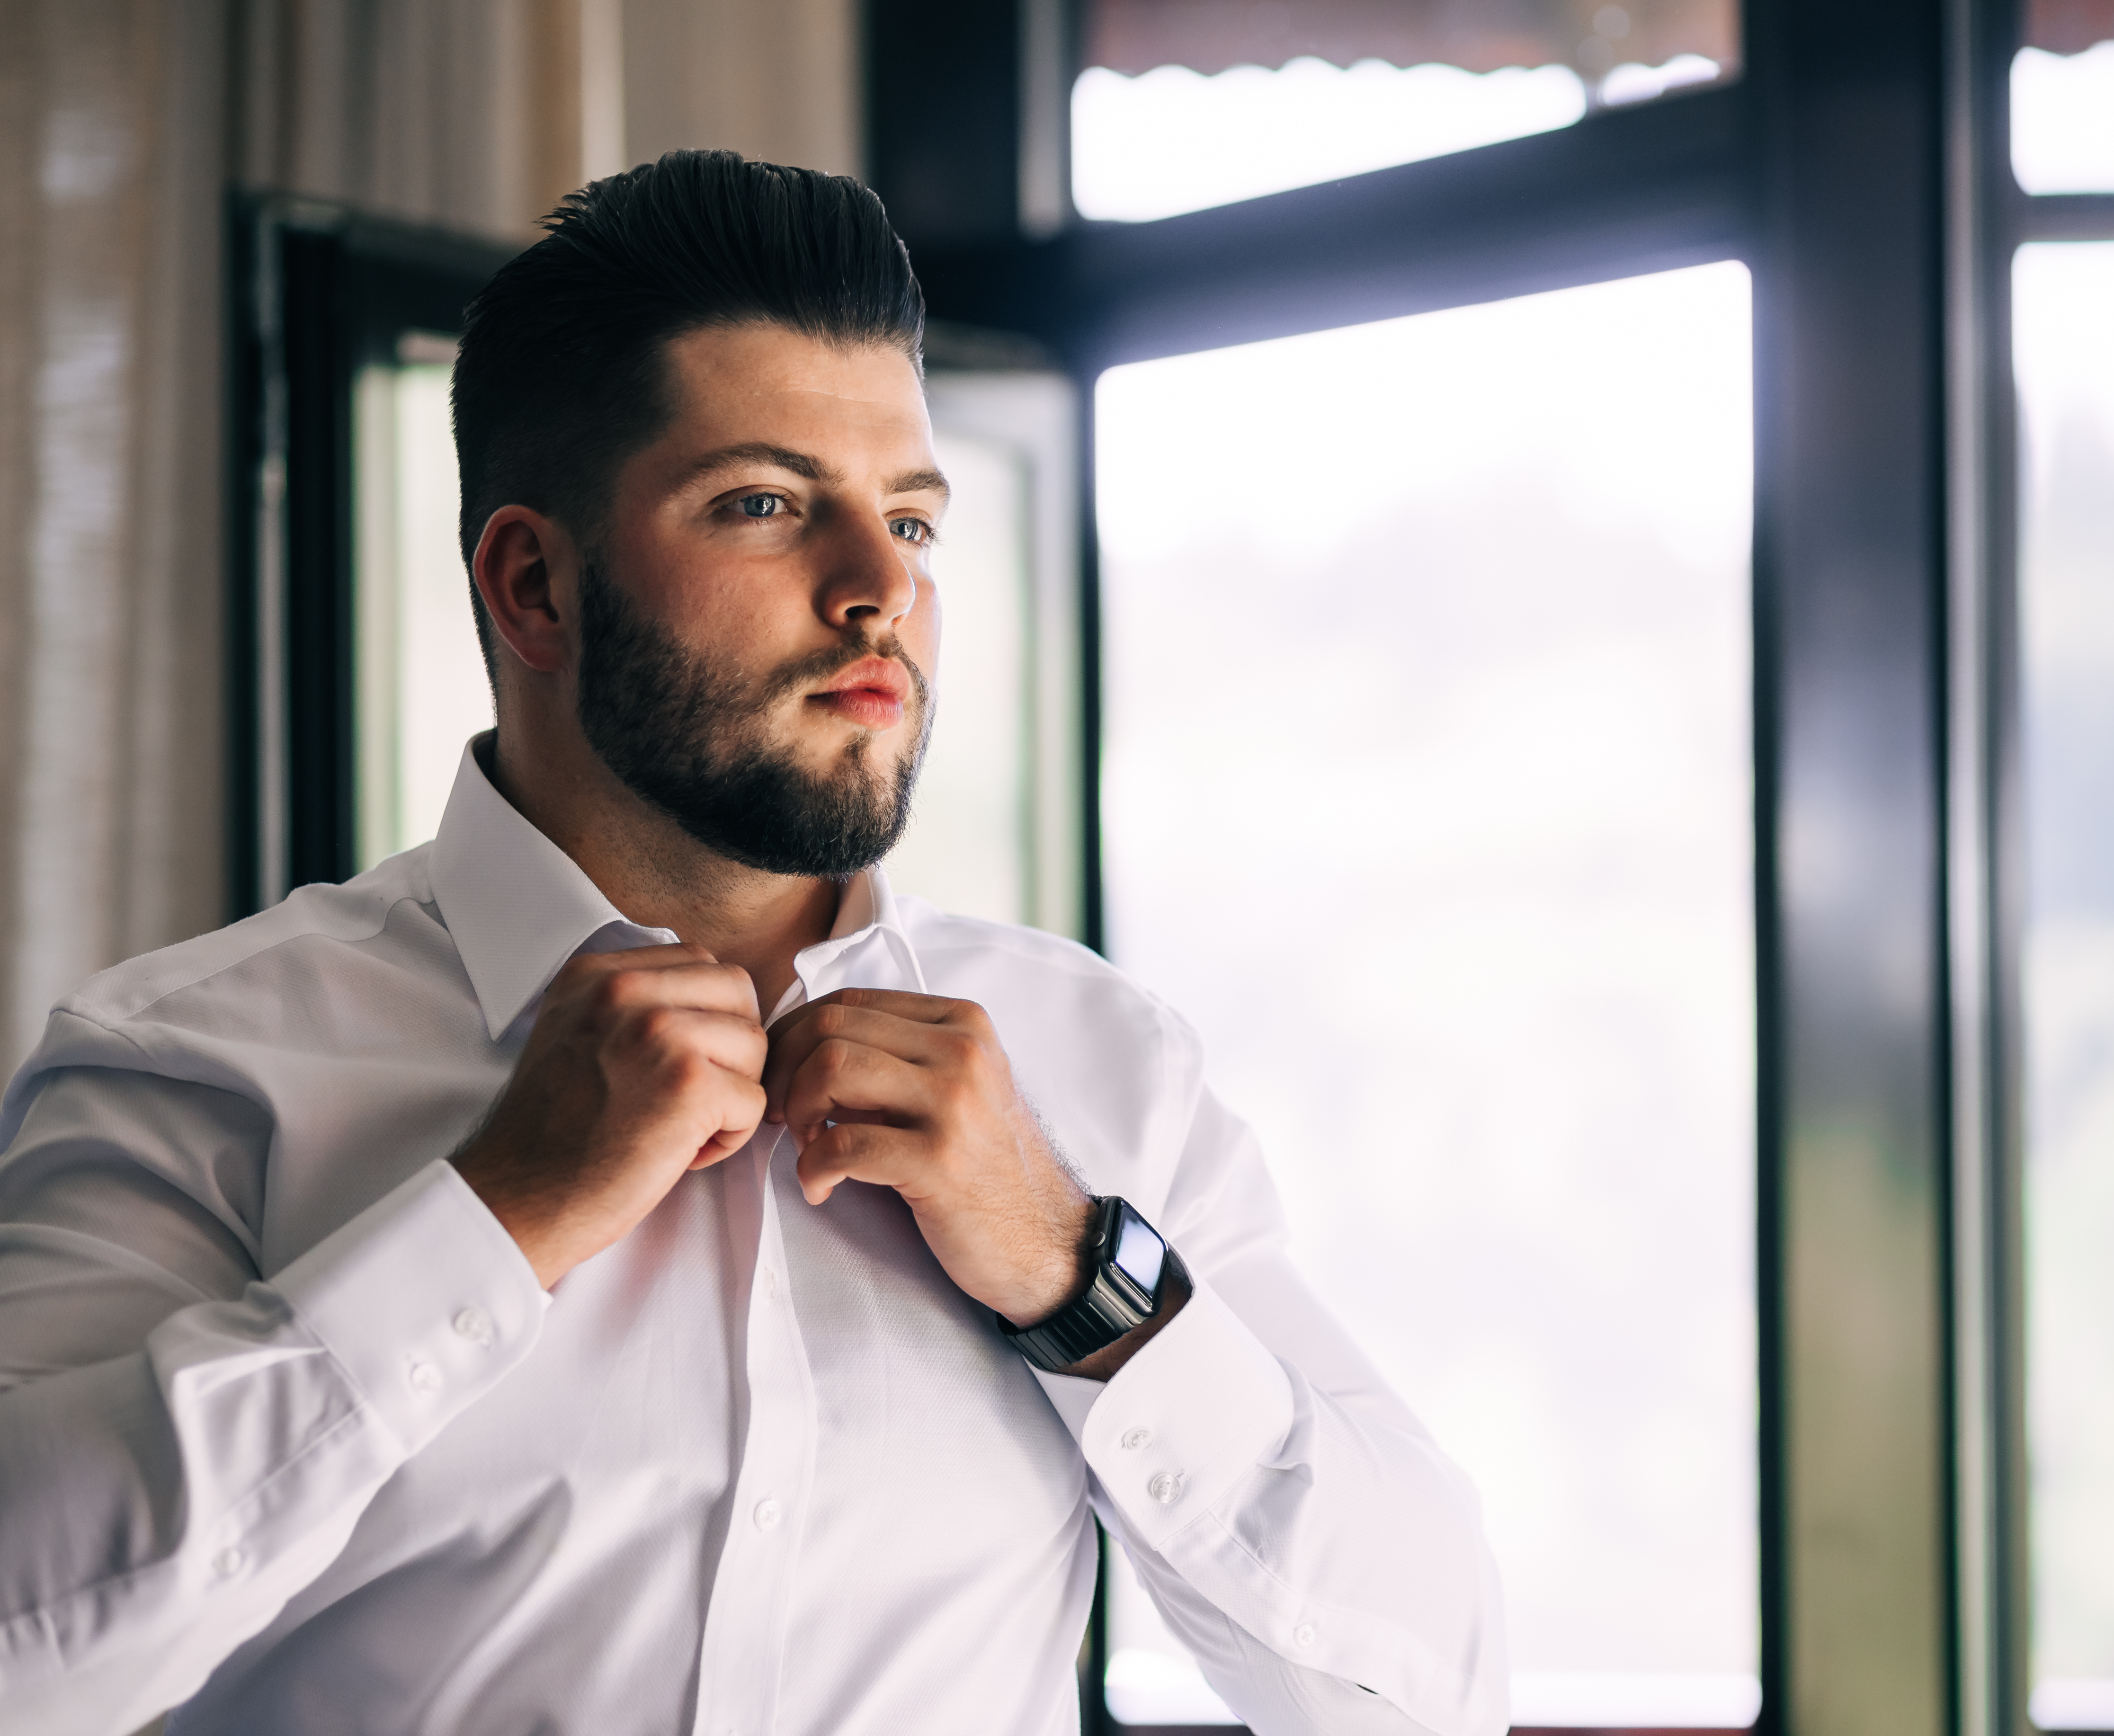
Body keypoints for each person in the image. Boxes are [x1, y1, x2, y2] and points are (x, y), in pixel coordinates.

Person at [0, 151, 1505, 1736]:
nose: (880, 591)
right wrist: (491, 1222)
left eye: (910, 518)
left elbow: (1427, 1688)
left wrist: (1078, 1272)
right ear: (533, 584)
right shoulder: (197, 1061)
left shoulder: (1100, 1071)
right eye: (767, 505)